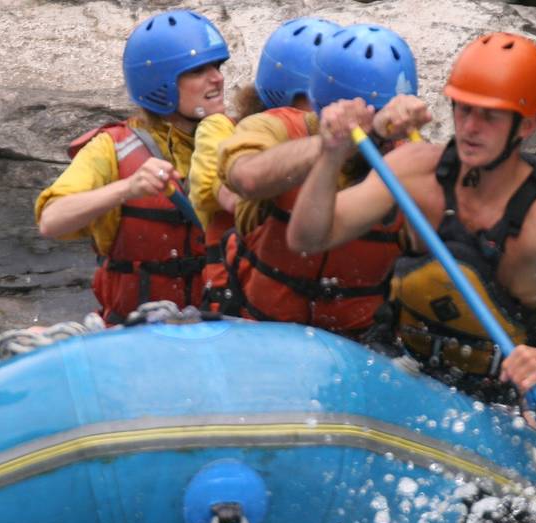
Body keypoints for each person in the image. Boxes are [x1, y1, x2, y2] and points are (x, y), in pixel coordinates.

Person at [285, 32, 536, 402]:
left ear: (527, 126)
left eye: (490, 116)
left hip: (495, 401)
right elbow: (306, 238)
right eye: (463, 108)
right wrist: (332, 154)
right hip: (397, 366)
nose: (469, 127)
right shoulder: (414, 171)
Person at [214, 22, 415, 337]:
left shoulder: (408, 161)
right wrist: (335, 143)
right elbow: (247, 178)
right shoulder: (274, 128)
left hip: (355, 351)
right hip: (258, 336)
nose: (371, 129)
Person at [36, 9, 229, 324]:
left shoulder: (234, 137)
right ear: (160, 84)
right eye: (198, 70)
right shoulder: (112, 147)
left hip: (214, 326)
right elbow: (51, 220)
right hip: (134, 333)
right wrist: (128, 188)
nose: (218, 78)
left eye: (218, 66)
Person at [197, 16, 338, 313]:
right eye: (322, 100)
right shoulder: (224, 132)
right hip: (237, 313)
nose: (332, 109)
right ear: (287, 94)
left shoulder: (346, 145)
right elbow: (232, 193)